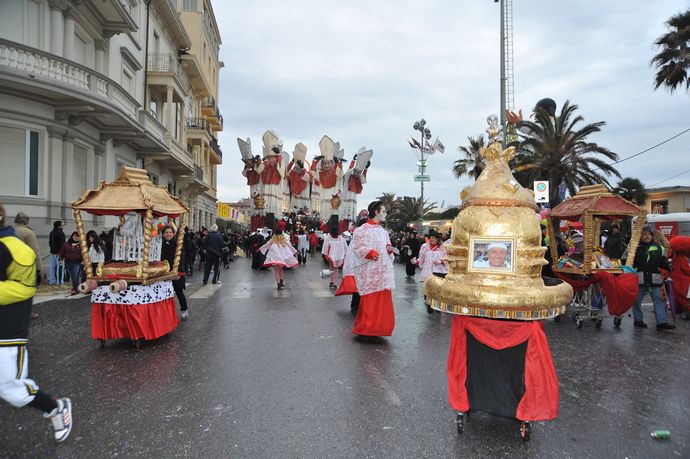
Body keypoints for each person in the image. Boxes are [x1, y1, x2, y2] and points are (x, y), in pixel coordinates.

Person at [0, 203, 72, 443]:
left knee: (11, 386)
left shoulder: (15, 248)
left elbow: (26, 287)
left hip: (7, 332)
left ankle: (55, 408)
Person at [350, 201, 396, 337]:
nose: (385, 214)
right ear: (376, 212)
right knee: (370, 301)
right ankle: (367, 329)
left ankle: (379, 329)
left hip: (383, 273)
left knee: (382, 302)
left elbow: (388, 247)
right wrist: (369, 252)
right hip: (370, 272)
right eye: (383, 211)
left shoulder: (384, 232)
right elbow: (357, 248)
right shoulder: (361, 230)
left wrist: (389, 250)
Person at [632, 226, 675, 331]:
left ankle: (661, 322)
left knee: (659, 300)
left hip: (654, 278)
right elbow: (627, 262)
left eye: (649, 234)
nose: (647, 236)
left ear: (652, 236)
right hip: (639, 278)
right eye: (644, 234)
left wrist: (668, 265)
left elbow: (662, 261)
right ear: (640, 236)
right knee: (636, 301)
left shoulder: (659, 248)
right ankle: (638, 320)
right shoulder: (634, 248)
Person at [14, 213, 41, 319]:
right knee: (26, 290)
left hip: (10, 265)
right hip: (25, 266)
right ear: (27, 221)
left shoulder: (10, 231)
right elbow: (35, 251)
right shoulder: (28, 232)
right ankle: (27, 312)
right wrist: (39, 267)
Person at [161, 225, 188, 320]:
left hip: (176, 273)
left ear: (173, 233)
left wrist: (179, 272)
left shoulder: (178, 244)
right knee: (166, 294)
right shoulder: (160, 243)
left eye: (170, 232)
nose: (168, 234)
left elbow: (182, 258)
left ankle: (184, 309)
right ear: (163, 234)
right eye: (166, 232)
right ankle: (168, 314)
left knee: (179, 292)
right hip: (164, 273)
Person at [48, 220, 66, 286]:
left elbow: (50, 242)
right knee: (60, 268)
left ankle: (52, 281)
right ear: (59, 226)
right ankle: (60, 281)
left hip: (52, 252)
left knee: (52, 267)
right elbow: (63, 244)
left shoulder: (51, 233)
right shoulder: (61, 233)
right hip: (59, 254)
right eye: (62, 225)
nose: (63, 226)